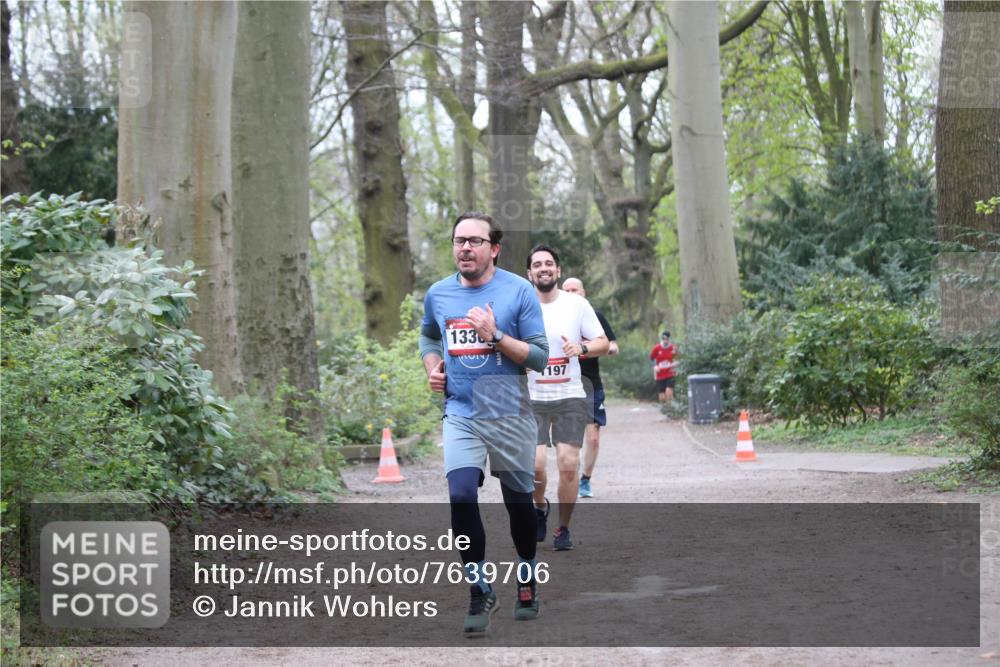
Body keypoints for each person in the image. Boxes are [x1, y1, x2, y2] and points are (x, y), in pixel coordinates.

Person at [420, 212, 549, 634]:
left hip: (507, 409)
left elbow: (540, 357)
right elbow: (428, 335)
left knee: (518, 503)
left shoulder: (518, 291)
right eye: (459, 241)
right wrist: (432, 365)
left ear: (494, 248)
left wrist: (494, 335)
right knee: (460, 495)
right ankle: (479, 590)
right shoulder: (438, 294)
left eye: (475, 241)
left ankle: (527, 576)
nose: (465, 248)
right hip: (461, 410)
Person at [525, 246, 609, 551]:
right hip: (531, 396)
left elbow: (602, 341)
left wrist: (581, 349)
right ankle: (539, 508)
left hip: (570, 393)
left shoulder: (577, 304)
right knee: (534, 467)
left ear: (558, 271)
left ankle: (562, 527)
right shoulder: (521, 304)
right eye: (537, 264)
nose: (543, 268)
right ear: (529, 273)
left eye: (549, 263)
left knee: (568, 463)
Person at [561, 277, 618, 499]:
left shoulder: (595, 317)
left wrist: (609, 348)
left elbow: (611, 343)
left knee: (592, 438)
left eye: (575, 289)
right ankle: (570, 474)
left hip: (590, 385)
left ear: (583, 293)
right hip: (562, 384)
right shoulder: (554, 318)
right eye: (567, 290)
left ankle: (585, 479)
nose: (571, 293)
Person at [650, 331, 678, 406]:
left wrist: (675, 364)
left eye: (667, 339)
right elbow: (651, 358)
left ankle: (671, 407)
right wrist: (655, 366)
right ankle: (665, 407)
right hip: (660, 373)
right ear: (661, 339)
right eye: (663, 339)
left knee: (669, 391)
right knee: (662, 397)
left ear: (669, 339)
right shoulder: (657, 348)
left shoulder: (673, 348)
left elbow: (678, 359)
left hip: (670, 372)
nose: (665, 340)